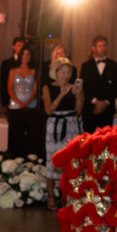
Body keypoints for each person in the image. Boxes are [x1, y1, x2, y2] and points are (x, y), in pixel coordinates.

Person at [42, 57, 83, 210]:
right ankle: (51, 196)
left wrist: (78, 94)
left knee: (70, 161)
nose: (66, 76)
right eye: (63, 72)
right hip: (54, 125)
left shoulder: (74, 87)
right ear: (56, 72)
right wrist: (61, 95)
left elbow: (79, 110)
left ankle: (66, 196)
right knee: (51, 160)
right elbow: (48, 110)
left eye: (68, 73)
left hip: (71, 124)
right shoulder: (47, 87)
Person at [79, 34, 117, 133]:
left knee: (105, 140)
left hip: (107, 110)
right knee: (88, 140)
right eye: (99, 46)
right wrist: (95, 101)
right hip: (90, 109)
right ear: (94, 48)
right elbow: (84, 87)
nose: (102, 48)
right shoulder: (86, 66)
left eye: (104, 45)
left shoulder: (114, 65)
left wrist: (105, 102)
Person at [0, 36, 26, 112]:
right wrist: (4, 103)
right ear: (13, 47)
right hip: (10, 100)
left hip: (25, 101)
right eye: (19, 45)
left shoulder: (28, 64)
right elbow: (3, 84)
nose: (21, 48)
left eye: (23, 46)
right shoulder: (7, 63)